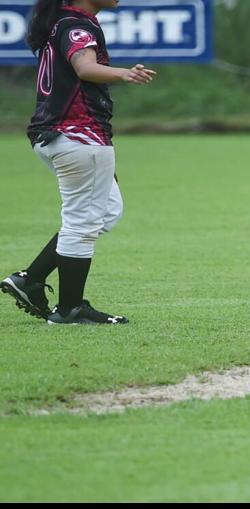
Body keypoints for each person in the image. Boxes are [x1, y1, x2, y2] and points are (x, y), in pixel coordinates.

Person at [4, 0, 156, 325]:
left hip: (63, 136)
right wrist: (124, 73)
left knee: (106, 210)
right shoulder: (77, 24)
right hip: (78, 134)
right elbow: (84, 67)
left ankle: (31, 278)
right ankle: (70, 308)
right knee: (82, 222)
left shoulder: (60, 21)